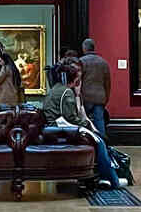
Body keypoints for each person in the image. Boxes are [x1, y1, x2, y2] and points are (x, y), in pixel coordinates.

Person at [43, 60, 124, 189]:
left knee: (99, 140)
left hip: (54, 129)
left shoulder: (56, 89)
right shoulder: (67, 92)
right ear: (75, 79)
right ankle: (113, 180)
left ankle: (106, 177)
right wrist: (88, 124)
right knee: (100, 142)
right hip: (62, 130)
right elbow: (71, 118)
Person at [77, 38, 112, 138]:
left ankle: (88, 144)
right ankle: (102, 144)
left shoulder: (82, 61)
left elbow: (78, 80)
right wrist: (106, 97)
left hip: (85, 97)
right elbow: (108, 83)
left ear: (84, 48)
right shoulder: (103, 62)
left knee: (84, 121)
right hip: (100, 96)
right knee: (99, 122)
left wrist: (77, 97)